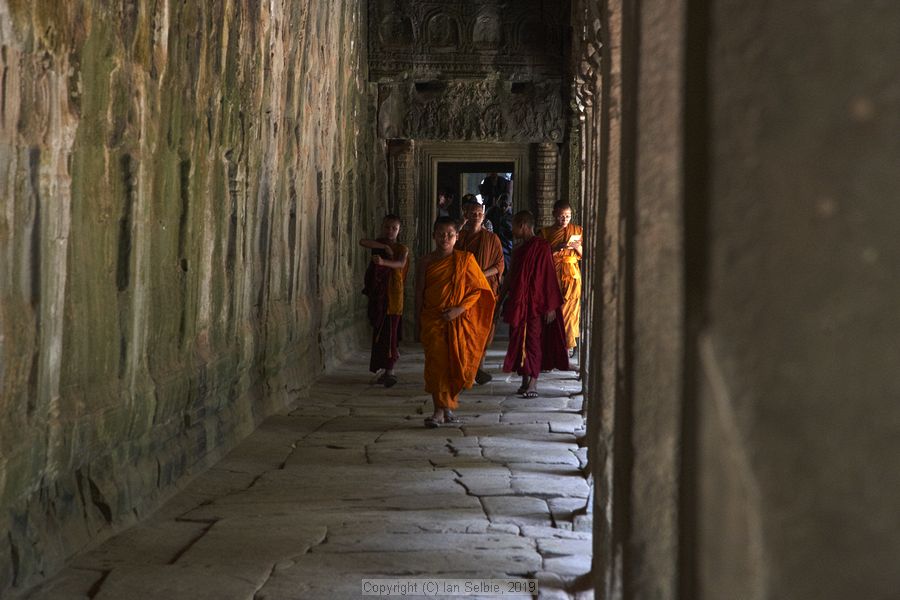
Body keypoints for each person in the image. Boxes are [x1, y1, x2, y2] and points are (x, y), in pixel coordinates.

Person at [416, 217, 495, 427]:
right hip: (433, 319)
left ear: (457, 237)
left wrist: (459, 309)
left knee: (455, 364)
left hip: (458, 320)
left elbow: (479, 290)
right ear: (433, 236)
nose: (445, 238)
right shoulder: (425, 261)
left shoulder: (465, 260)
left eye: (450, 234)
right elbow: (419, 292)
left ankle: (447, 407)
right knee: (436, 365)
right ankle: (438, 412)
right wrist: (418, 319)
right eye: (441, 234)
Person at [499, 210, 569, 398]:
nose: (512, 229)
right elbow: (511, 277)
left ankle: (533, 383)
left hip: (536, 304)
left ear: (523, 225)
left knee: (533, 341)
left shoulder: (542, 246)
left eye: (513, 225)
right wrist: (500, 299)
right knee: (518, 338)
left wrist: (551, 305)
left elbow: (548, 276)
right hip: (520, 303)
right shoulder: (519, 251)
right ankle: (524, 378)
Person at [456, 199, 505, 384]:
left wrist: (480, 274)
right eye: (472, 213)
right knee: (466, 328)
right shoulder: (459, 237)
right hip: (465, 288)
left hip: (485, 288)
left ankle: (479, 366)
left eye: (479, 213)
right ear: (466, 216)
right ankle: (467, 367)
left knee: (484, 329)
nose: (476, 216)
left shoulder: (492, 239)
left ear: (483, 217)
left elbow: (499, 265)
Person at [359, 214, 409, 387]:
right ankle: (385, 366)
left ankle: (390, 371)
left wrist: (384, 261)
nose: (390, 231)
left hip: (394, 296)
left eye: (394, 228)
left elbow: (401, 264)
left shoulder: (402, 248)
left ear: (399, 230)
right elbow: (363, 242)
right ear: (382, 226)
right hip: (379, 294)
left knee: (391, 333)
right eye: (387, 227)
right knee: (380, 331)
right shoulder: (380, 245)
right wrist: (383, 247)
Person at [539, 200, 583, 354]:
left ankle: (567, 345)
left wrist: (578, 248)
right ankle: (554, 345)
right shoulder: (545, 233)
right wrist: (556, 249)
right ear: (553, 215)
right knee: (554, 309)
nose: (564, 220)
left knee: (570, 311)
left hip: (572, 276)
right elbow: (540, 256)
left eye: (568, 216)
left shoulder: (577, 230)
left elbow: (586, 255)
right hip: (553, 274)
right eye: (561, 216)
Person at [485, 193, 513, 274]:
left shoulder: (511, 216)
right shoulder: (492, 212)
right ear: (498, 203)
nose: (503, 207)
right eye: (501, 204)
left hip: (506, 249)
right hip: (493, 247)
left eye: (505, 205)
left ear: (510, 204)